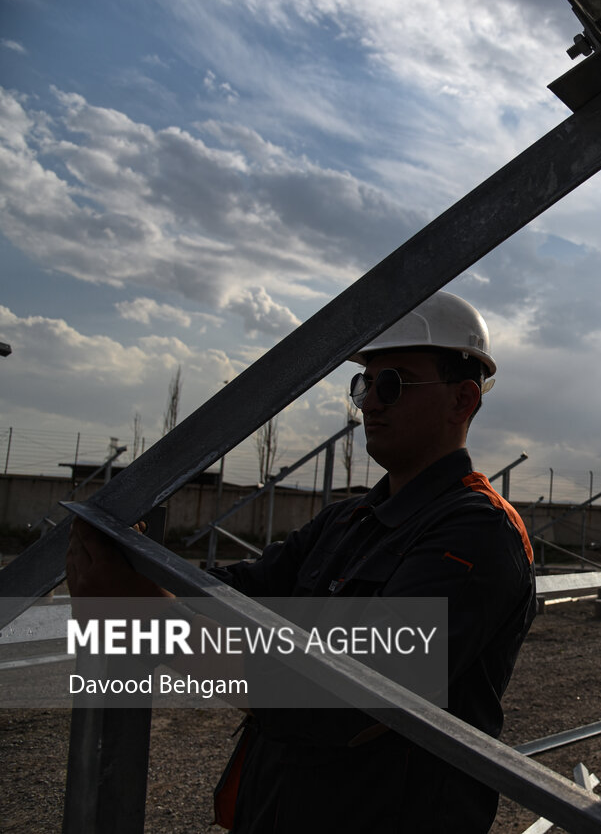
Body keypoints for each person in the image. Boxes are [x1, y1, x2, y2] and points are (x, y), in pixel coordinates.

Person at [66, 291, 536, 834]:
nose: (371, 403)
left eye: (393, 383)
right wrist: (140, 569)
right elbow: (242, 591)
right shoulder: (350, 521)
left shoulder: (478, 533)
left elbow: (351, 696)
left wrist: (151, 622)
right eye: (365, 385)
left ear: (462, 401)